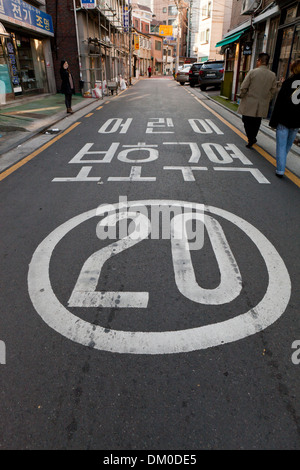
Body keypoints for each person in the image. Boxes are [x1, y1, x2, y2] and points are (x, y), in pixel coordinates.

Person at [238, 53, 277, 148]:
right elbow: (273, 90)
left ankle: (251, 138)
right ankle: (253, 137)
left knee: (246, 120)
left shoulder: (253, 72)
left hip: (249, 101)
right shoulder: (272, 75)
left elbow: (244, 86)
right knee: (257, 122)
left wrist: (241, 95)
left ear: (259, 61)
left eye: (257, 60)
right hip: (263, 103)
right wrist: (268, 98)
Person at [269, 59, 300, 178]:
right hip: (297, 120)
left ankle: (280, 168)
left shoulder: (288, 82)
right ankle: (282, 162)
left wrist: (274, 121)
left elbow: (279, 102)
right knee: (288, 145)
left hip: (284, 118)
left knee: (281, 145)